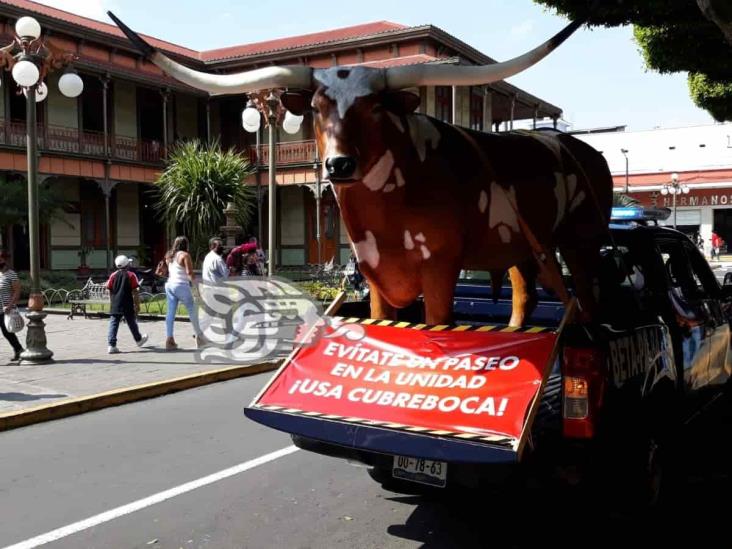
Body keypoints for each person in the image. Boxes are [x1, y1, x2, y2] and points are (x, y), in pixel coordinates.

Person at [164, 236, 202, 351]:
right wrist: (196, 288)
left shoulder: (169, 256)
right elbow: (190, 273)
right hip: (181, 285)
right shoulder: (185, 255)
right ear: (186, 245)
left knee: (170, 312)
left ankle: (169, 339)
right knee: (192, 310)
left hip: (169, 284)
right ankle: (199, 337)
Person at [106, 255, 148, 354]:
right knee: (131, 322)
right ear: (127, 264)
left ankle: (111, 345)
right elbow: (135, 291)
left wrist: (112, 302)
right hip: (127, 303)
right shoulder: (131, 275)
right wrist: (137, 305)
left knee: (113, 323)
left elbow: (109, 290)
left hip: (115, 303)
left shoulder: (113, 275)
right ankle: (138, 339)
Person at [0, 250, 24, 361]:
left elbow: (17, 291)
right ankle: (18, 349)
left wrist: (10, 305)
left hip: (5, 309)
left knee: (7, 332)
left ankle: (18, 349)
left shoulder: (12, 274)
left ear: (4, 260)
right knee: (6, 332)